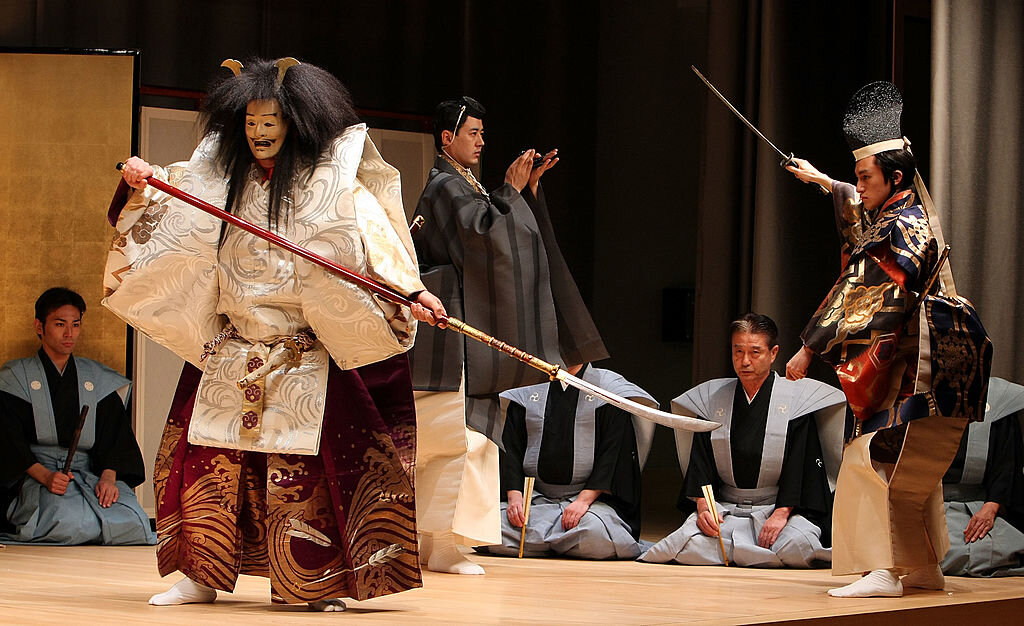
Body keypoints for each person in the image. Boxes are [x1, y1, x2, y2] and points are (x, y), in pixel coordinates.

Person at [104, 57, 443, 611]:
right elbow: (164, 210)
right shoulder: (216, 182)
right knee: (205, 465)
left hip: (305, 351)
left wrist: (415, 294)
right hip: (235, 347)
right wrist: (142, 184)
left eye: (271, 123)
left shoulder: (336, 189)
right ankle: (199, 575)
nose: (259, 134)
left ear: (297, 124)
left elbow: (380, 248)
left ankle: (314, 582)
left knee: (306, 477)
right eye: (250, 123)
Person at [785, 81, 992, 597]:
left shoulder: (897, 229)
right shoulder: (909, 216)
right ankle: (921, 567)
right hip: (946, 362)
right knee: (909, 469)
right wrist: (822, 181)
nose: (858, 187)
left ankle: (881, 568)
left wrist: (811, 344)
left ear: (894, 178)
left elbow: (861, 287)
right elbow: (862, 212)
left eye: (864, 178)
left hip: (918, 361)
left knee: (869, 458)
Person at [408, 96, 608, 574]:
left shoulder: (464, 185)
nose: (481, 140)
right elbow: (482, 241)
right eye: (473, 133)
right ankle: (439, 543)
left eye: (482, 132)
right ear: (447, 139)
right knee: (453, 441)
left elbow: (495, 230)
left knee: (470, 440)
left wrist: (522, 194)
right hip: (449, 337)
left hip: (464, 336)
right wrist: (511, 193)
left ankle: (445, 543)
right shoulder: (443, 186)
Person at [641, 313, 844, 568]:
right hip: (726, 509)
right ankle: (756, 554)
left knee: (797, 546)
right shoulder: (713, 398)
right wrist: (704, 506)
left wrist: (782, 513)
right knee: (686, 544)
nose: (745, 361)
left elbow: (802, 465)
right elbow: (700, 462)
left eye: (755, 352)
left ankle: (744, 551)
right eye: (738, 352)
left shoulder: (796, 402)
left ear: (774, 353)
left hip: (778, 509)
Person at [0, 287, 153, 546]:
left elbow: (115, 438)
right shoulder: (15, 378)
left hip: (88, 474)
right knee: (68, 524)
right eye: (60, 324)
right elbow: (8, 441)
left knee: (133, 522)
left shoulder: (96, 379)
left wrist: (108, 478)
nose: (69, 333)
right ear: (40, 326)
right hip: (37, 476)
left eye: (75, 325)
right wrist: (46, 476)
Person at [484, 363, 654, 559]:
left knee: (595, 531)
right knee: (490, 526)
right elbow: (511, 448)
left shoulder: (608, 388)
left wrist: (583, 501)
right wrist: (515, 498)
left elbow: (613, 454)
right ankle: (564, 543)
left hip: (590, 505)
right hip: (536, 501)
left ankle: (535, 542)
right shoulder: (526, 387)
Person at [940, 377, 1024, 577]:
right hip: (928, 504)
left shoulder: (998, 396)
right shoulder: (918, 392)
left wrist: (992, 505)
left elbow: (1008, 461)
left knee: (999, 546)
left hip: (977, 506)